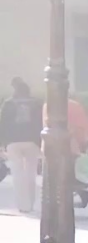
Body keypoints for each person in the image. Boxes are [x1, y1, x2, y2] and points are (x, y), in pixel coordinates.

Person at [1, 76, 43, 212]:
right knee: (31, 172)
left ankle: (22, 205)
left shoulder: (8, 103)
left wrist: (2, 143)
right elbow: (41, 122)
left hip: (13, 142)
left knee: (17, 173)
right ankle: (30, 203)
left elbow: (2, 124)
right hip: (32, 141)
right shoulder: (36, 103)